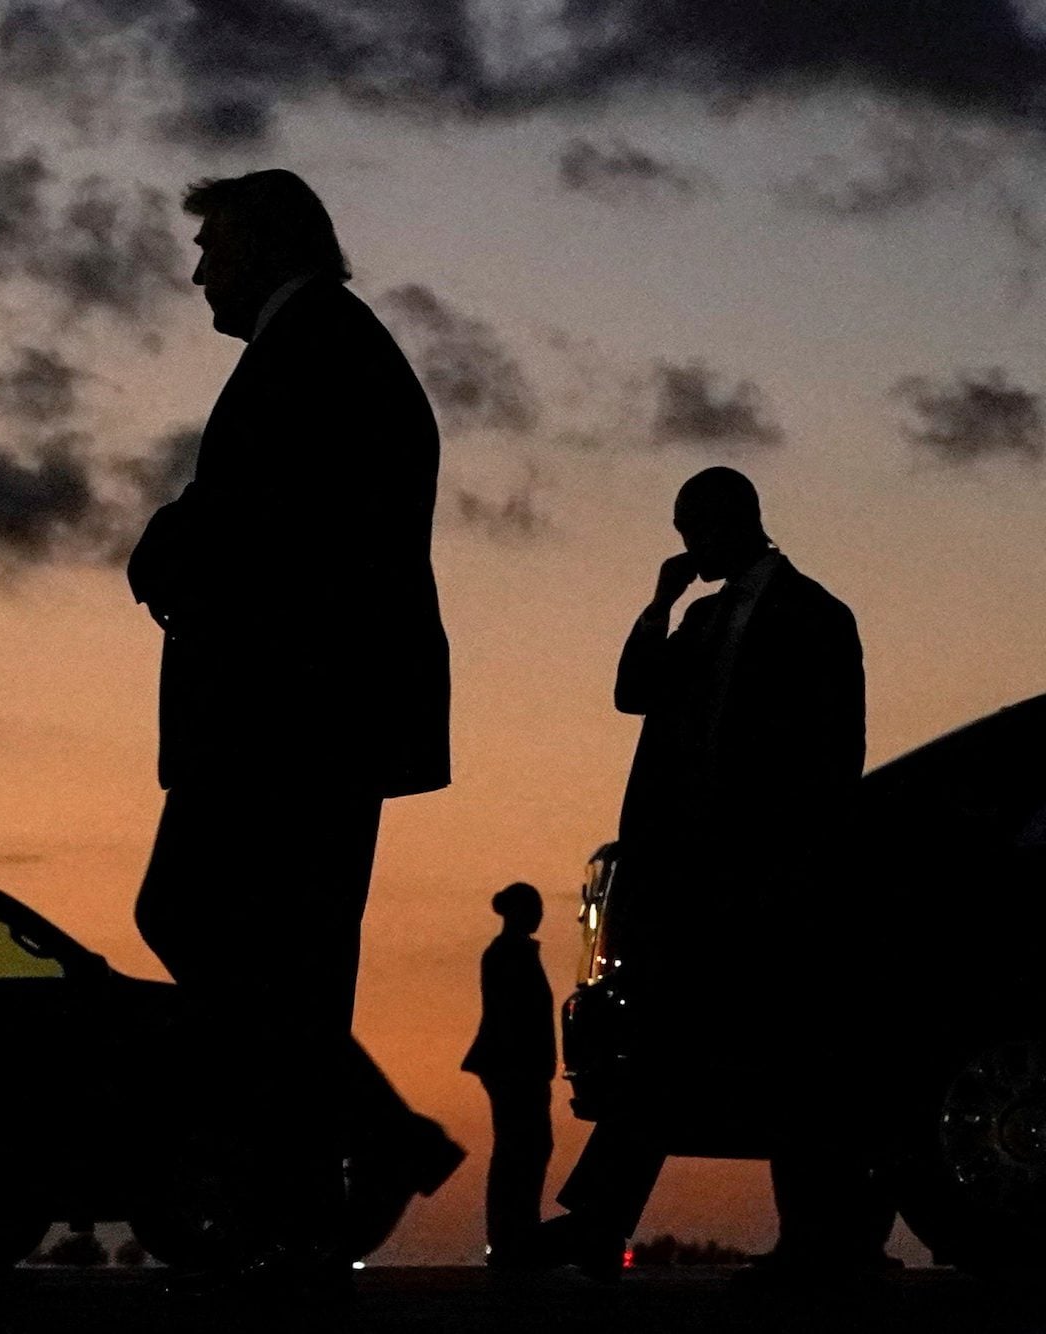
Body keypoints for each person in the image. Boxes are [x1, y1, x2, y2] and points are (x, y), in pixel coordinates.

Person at [127, 169, 460, 1301]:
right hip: (310, 713)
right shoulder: (326, 346)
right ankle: (321, 1187)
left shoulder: (315, 349)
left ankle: (328, 1174)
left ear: (267, 242)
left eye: (212, 245)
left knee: (216, 927)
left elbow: (271, 520)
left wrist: (171, 550)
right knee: (283, 960)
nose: (197, 270)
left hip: (291, 715)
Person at [540, 466, 886, 1280]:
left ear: (730, 522)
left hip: (770, 872)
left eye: (692, 533)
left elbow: (837, 748)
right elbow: (633, 691)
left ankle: (814, 1235)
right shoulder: (698, 621)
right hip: (692, 875)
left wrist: (803, 859)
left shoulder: (815, 616)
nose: (689, 550)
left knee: (784, 1050)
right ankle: (601, 1219)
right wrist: (658, 603)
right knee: (674, 1045)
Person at [462, 882, 556, 1268]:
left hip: (517, 1066)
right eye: (534, 907)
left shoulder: (509, 953)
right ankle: (512, 1237)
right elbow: (517, 1017)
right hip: (516, 1067)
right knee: (521, 1149)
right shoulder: (507, 955)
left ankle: (514, 1235)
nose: (539, 915)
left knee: (522, 1149)